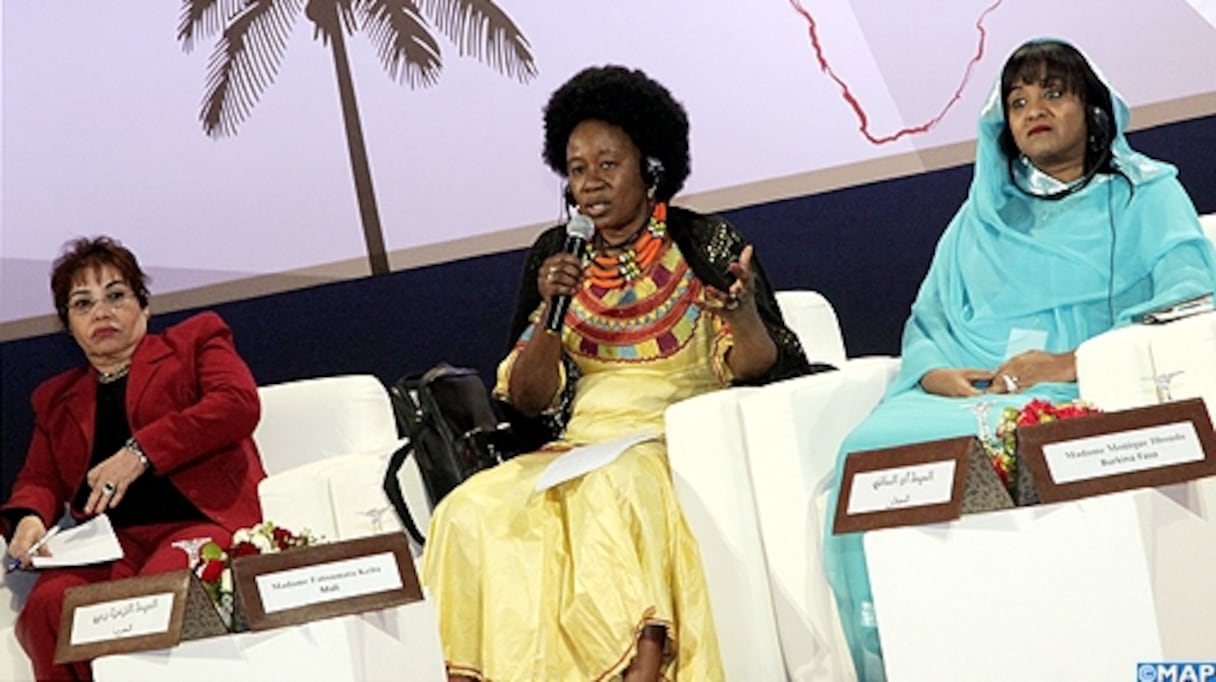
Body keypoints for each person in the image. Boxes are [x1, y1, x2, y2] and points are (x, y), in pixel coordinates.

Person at [823, 38, 1216, 681]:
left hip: (1083, 380)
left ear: (1091, 108)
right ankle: (926, 645)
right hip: (971, 384)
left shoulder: (1148, 193)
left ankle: (1040, 635)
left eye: (1053, 92)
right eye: (1018, 100)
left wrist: (1069, 363)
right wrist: (934, 372)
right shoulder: (982, 216)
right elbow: (931, 317)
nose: (1034, 108)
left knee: (1006, 437)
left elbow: (1188, 296)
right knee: (873, 443)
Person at [420, 65, 823, 681]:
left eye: (608, 164)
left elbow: (758, 369)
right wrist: (550, 318)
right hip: (574, 443)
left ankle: (641, 671)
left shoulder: (702, 241)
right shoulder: (555, 255)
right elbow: (526, 401)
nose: (590, 184)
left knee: (620, 488)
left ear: (651, 167)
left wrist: (741, 316)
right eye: (577, 169)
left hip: (669, 437)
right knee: (467, 509)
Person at [1, 236, 267, 681]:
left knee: (156, 599)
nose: (101, 312)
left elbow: (237, 403)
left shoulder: (195, 343)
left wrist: (140, 452)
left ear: (144, 307)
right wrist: (29, 519)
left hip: (198, 524)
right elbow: (40, 479)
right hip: (109, 545)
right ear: (69, 324)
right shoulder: (56, 398)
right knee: (50, 607)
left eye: (116, 296)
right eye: (82, 303)